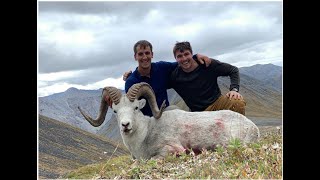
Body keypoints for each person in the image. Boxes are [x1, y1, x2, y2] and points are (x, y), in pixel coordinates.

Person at [107, 40, 211, 117]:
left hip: (165, 113)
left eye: (147, 53)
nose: (144, 57)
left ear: (152, 54)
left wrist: (195, 57)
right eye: (140, 54)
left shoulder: (161, 67)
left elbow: (182, 63)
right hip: (146, 121)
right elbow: (130, 106)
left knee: (176, 111)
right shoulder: (131, 82)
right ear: (135, 57)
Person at [169, 41, 246, 115]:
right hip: (197, 114)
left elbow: (233, 70)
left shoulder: (207, 63)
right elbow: (159, 85)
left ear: (192, 54)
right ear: (175, 59)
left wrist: (234, 90)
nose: (184, 58)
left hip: (217, 104)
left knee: (237, 101)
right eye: (179, 56)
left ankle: (236, 128)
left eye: (186, 54)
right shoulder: (175, 76)